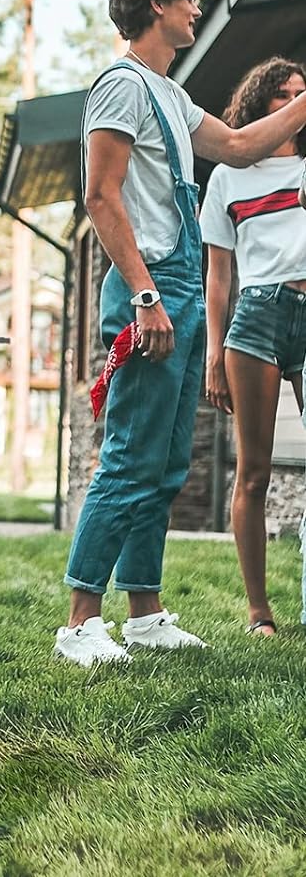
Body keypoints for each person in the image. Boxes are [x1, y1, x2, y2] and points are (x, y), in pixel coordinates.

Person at [55, 0, 306, 667]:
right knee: (131, 456)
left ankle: (144, 613)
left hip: (185, 288)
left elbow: (236, 144)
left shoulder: (167, 91)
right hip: (151, 284)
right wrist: (144, 296)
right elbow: (101, 197)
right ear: (157, 6)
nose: (198, 11)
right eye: (189, 0)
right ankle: (80, 622)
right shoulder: (121, 85)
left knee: (166, 465)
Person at [201, 58, 306, 638]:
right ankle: (259, 612)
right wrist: (214, 353)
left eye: (302, 95)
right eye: (282, 95)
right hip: (258, 319)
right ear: (260, 103)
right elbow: (219, 274)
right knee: (254, 474)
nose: (294, 104)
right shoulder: (230, 174)